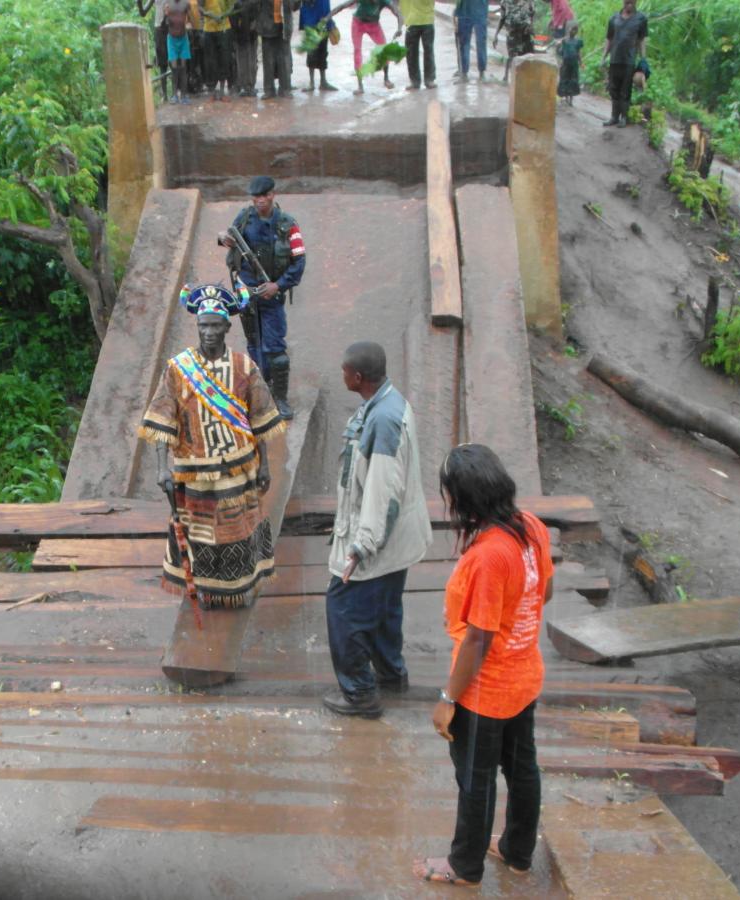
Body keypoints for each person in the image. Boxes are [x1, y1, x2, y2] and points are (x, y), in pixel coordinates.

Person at [412, 443, 554, 887]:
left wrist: (446, 700)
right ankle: (517, 851)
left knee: (476, 780)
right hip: (523, 678)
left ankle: (465, 866)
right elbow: (544, 592)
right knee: (522, 767)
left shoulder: (488, 556)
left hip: (485, 692)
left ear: (463, 499)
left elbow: (477, 638)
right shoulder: (530, 526)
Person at [139, 284, 287, 607]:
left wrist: (265, 465)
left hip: (239, 467)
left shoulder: (245, 367)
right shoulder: (178, 369)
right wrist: (162, 467)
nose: (208, 332)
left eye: (215, 325)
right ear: (197, 326)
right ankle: (206, 589)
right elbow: (163, 417)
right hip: (194, 472)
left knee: (240, 530)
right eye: (203, 325)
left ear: (227, 328)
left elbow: (260, 419)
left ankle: (241, 587)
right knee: (201, 533)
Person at [322, 342, 432, 719]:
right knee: (385, 609)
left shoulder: (383, 420)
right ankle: (390, 674)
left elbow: (384, 491)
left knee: (343, 608)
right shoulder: (389, 402)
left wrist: (360, 547)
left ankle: (359, 693)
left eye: (343, 371)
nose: (342, 376)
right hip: (397, 538)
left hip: (378, 538)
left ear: (357, 377)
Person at [218, 175, 306, 419]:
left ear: (272, 195)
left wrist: (278, 285)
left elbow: (299, 261)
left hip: (271, 297)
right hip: (247, 295)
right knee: (254, 345)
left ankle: (280, 398)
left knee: (275, 350)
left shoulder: (288, 225)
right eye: (255, 197)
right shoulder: (244, 218)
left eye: (263, 196)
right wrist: (222, 238)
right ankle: (259, 394)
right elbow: (229, 238)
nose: (259, 201)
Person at [327, 0, 404, 95]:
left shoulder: (385, 1)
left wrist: (399, 28)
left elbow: (398, 13)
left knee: (384, 49)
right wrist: (328, 17)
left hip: (374, 25)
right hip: (358, 24)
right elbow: (342, 6)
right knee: (357, 51)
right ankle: (360, 86)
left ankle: (386, 79)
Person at [602, 0, 647, 127]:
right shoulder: (613, 18)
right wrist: (604, 56)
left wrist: (643, 58)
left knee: (625, 90)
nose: (629, 4)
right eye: (627, 2)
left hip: (629, 60)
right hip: (615, 58)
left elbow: (642, 40)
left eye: (632, 2)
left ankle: (624, 117)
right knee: (613, 88)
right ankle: (614, 117)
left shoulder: (641, 19)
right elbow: (609, 39)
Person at [400, 0, 450, 90]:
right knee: (411, 53)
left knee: (428, 51)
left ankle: (429, 79)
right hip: (411, 22)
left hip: (427, 21)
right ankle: (415, 81)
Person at [257, 0, 296, 98]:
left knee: (284, 60)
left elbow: (295, 6)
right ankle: (269, 90)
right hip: (267, 25)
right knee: (268, 60)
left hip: (284, 27)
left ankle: (285, 89)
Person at [138, 0, 172, 104]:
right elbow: (143, 13)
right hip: (159, 30)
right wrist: (139, 4)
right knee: (162, 64)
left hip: (173, 27)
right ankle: (165, 94)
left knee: (175, 61)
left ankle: (176, 92)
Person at [299, 0, 338, 92]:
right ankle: (312, 83)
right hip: (311, 20)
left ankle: (323, 82)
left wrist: (330, 23)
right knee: (312, 52)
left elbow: (326, 6)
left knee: (323, 52)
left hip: (324, 19)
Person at [200, 0, 235, 99]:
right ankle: (212, 91)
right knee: (210, 61)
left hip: (224, 27)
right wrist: (208, 14)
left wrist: (224, 14)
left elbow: (231, 6)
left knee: (224, 59)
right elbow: (200, 6)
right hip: (208, 29)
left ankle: (222, 91)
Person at [494, 0, 535, 83]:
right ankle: (506, 78)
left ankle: (526, 81)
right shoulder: (505, 2)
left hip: (525, 36)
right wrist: (496, 35)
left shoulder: (529, 1)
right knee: (512, 57)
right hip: (512, 35)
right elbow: (502, 19)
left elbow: (532, 15)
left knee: (528, 58)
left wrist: (531, 26)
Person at [163, 0, 196, 103]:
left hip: (183, 38)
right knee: (174, 67)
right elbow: (164, 23)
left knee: (183, 67)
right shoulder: (167, 3)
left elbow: (191, 20)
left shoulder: (186, 4)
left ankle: (184, 95)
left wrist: (190, 25)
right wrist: (166, 15)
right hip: (172, 39)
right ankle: (174, 95)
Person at [230, 0, 259, 97]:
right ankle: (246, 86)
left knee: (249, 61)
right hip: (242, 37)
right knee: (245, 61)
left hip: (249, 37)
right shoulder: (237, 5)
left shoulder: (252, 3)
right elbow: (233, 22)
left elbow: (256, 21)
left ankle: (248, 86)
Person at [453, 0, 488, 81]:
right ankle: (464, 72)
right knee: (465, 44)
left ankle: (481, 72)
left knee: (480, 43)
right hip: (465, 13)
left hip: (479, 13)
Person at [557, 22, 582, 105]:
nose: (573, 31)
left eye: (575, 30)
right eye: (572, 29)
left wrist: (581, 62)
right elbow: (561, 52)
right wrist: (558, 46)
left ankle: (571, 99)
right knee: (565, 79)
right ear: (568, 30)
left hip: (574, 64)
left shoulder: (578, 41)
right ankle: (566, 97)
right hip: (565, 63)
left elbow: (578, 52)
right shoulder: (564, 41)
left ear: (576, 32)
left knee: (573, 80)